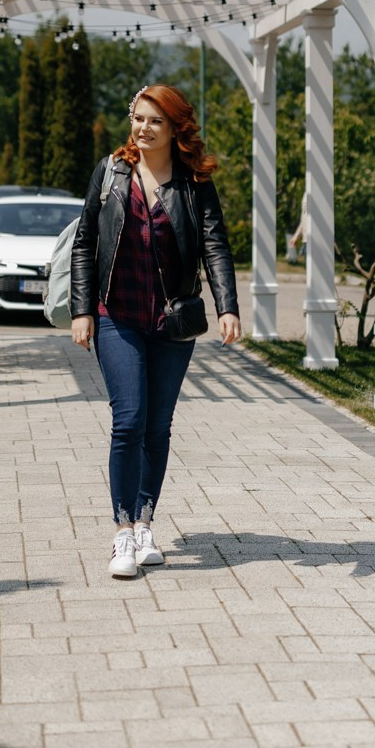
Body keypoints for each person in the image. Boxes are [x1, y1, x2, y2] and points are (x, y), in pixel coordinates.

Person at [69, 83, 240, 579]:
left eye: (155, 121)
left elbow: (215, 247)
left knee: (158, 426)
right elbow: (84, 243)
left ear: (175, 128)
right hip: (116, 317)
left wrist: (227, 305)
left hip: (172, 322)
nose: (143, 128)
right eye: (138, 118)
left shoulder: (193, 183)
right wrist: (83, 311)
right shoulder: (111, 173)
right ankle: (122, 532)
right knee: (129, 420)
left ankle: (145, 521)